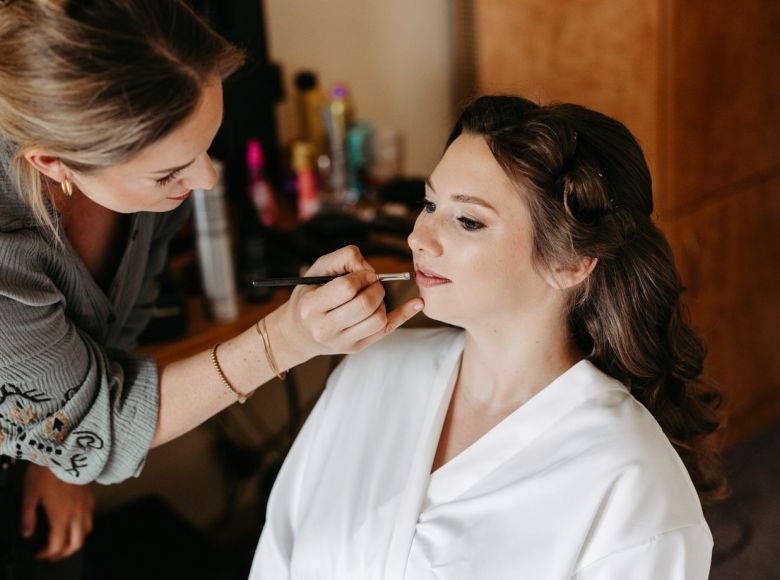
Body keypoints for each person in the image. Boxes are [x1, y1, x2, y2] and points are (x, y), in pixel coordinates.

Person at [0, 0, 422, 577]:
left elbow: (115, 319)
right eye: (171, 172)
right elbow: (78, 429)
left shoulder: (122, 73)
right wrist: (282, 340)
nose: (205, 180)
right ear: (52, 163)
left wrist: (66, 454)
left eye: (204, 146)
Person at [250, 95, 725, 579]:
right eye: (429, 203)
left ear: (569, 263)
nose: (419, 237)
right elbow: (277, 556)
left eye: (468, 220)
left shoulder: (632, 483)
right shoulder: (371, 370)